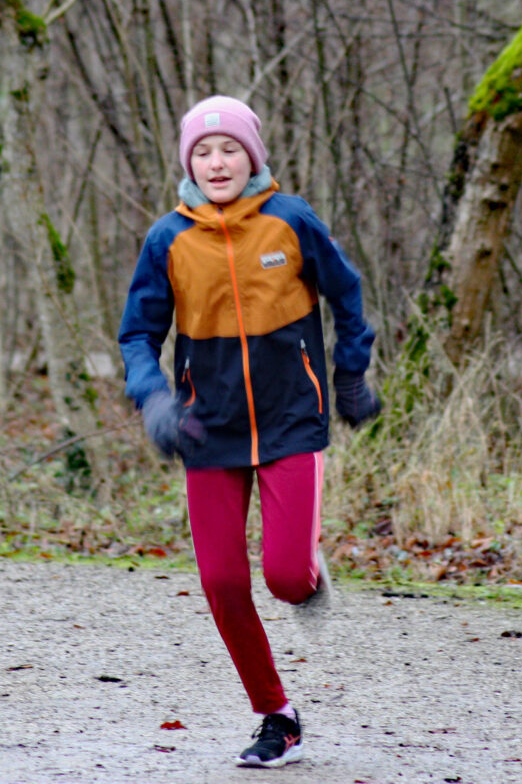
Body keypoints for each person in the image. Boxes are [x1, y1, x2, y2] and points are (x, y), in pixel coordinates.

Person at [118, 96, 381, 768]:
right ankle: (277, 715)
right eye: (203, 153)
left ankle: (309, 574)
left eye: (229, 149)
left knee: (287, 577)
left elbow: (347, 294)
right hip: (208, 428)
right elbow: (138, 334)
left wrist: (349, 376)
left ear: (253, 155)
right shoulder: (167, 239)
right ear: (187, 163)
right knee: (222, 581)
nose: (216, 162)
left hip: (293, 420)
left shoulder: (291, 220)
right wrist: (153, 400)